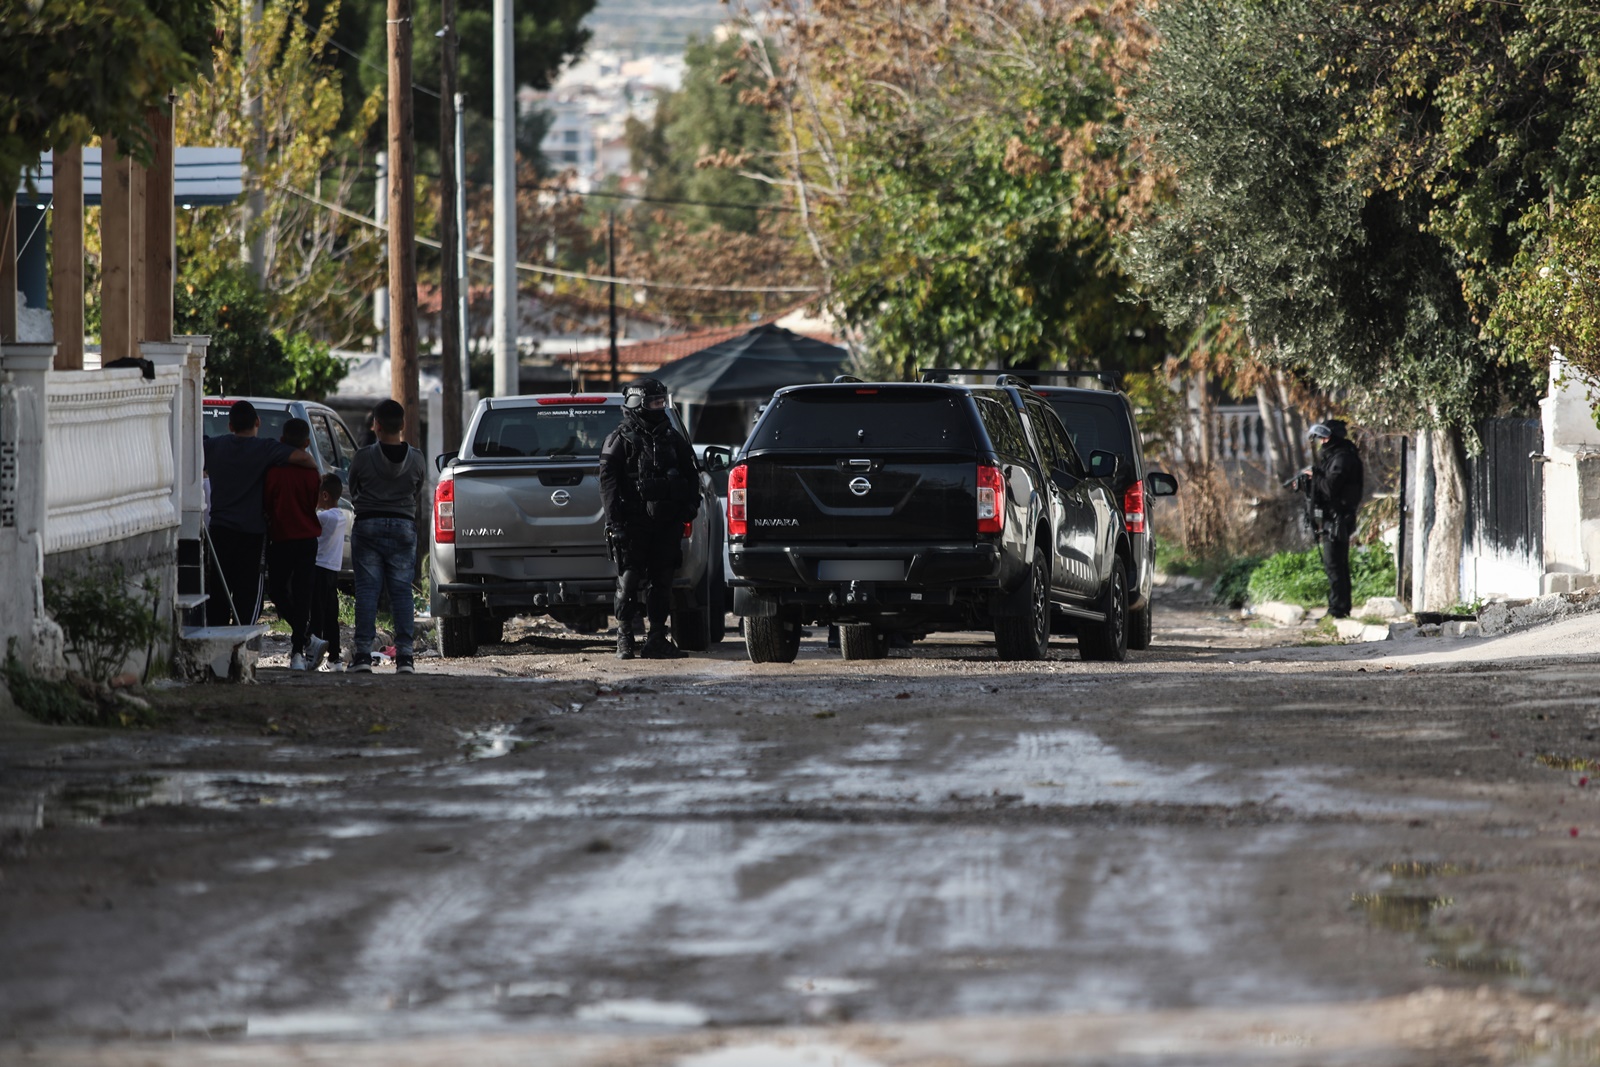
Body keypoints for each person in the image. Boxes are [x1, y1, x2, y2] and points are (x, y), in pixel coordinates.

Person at [599, 378, 701, 660]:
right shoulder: (620, 439)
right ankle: (624, 637)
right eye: (654, 402)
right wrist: (614, 523)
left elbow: (692, 475)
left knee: (662, 581)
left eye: (661, 402)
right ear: (637, 403)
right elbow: (608, 485)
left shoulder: (672, 438)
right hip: (633, 523)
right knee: (629, 579)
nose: (660, 407)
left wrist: (690, 505)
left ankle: (656, 638)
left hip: (666, 523)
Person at [203, 400, 317, 626]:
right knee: (248, 590)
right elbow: (305, 459)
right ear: (258, 422)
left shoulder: (213, 447)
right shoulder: (265, 448)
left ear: (230, 426)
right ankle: (242, 640)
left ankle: (218, 642)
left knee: (218, 587)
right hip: (252, 532)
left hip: (219, 529)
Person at [347, 399, 426, 674]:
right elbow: (418, 488)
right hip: (404, 526)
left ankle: (363, 656)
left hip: (368, 525)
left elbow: (353, 486)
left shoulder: (363, 456)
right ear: (403, 425)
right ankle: (405, 657)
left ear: (376, 426)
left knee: (367, 592)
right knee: (402, 592)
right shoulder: (416, 457)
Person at [263, 418, 324, 670]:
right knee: (302, 596)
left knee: (277, 591)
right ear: (307, 443)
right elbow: (314, 504)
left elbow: (267, 504)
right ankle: (299, 649)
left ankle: (304, 642)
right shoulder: (312, 474)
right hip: (307, 539)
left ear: (282, 441)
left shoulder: (273, 472)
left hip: (281, 538)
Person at [1308, 419, 1364, 618]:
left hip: (1339, 518)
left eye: (1325, 437)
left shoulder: (1342, 458)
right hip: (1334, 517)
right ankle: (1338, 607)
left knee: (1335, 565)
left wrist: (1315, 477)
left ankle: (1338, 609)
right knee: (1335, 564)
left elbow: (1331, 488)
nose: (1322, 442)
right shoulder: (1337, 456)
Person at [309, 473, 350, 672]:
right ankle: (335, 659)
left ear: (324, 495)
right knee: (331, 617)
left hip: (319, 569)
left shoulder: (323, 517)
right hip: (333, 571)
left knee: (316, 614)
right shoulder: (341, 516)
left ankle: (313, 655)